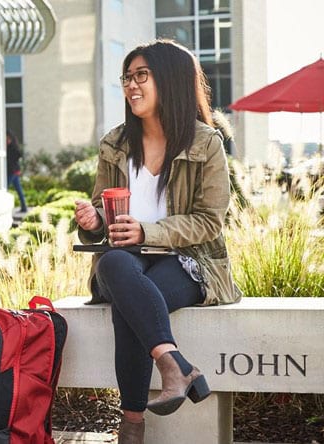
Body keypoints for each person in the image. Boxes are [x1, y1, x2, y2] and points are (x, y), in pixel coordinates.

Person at [73, 39, 242, 444]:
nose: (131, 85)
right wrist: (94, 220)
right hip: (126, 259)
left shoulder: (206, 143)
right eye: (127, 77)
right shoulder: (115, 144)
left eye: (141, 76)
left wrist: (148, 231)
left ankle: (132, 424)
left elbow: (209, 221)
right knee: (114, 264)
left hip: (188, 261)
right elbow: (101, 209)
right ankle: (175, 365)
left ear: (170, 80)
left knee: (131, 307)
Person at [6, 130, 28, 213]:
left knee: (4, 189)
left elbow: (17, 156)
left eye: (8, 139)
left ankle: (23, 207)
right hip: (13, 171)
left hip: (13, 172)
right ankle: (24, 207)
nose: (7, 140)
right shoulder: (7, 148)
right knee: (19, 190)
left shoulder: (13, 148)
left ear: (11, 139)